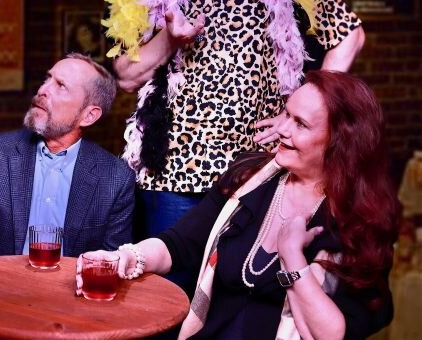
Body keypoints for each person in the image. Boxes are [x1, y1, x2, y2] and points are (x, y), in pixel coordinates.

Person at [104, 0, 365, 240]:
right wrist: (170, 39)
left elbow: (349, 34)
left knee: (248, 277)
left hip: (258, 167)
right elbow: (125, 76)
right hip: (174, 171)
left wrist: (304, 110)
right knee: (172, 276)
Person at [77, 71, 400, 339]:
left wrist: (293, 258)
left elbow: (336, 333)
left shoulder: (361, 222)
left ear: (340, 142)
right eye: (286, 114)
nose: (282, 129)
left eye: (300, 124)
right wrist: (125, 257)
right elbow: (179, 244)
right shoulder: (248, 176)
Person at [0, 54, 135, 264]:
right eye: (47, 79)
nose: (43, 90)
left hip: (70, 285)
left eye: (61, 86)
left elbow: (111, 265)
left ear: (89, 115)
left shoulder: (115, 179)